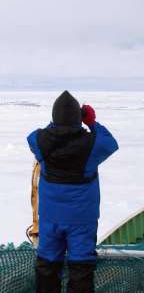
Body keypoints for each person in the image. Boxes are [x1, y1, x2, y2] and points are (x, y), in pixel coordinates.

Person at [27, 91, 118, 293]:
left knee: (47, 266)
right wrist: (91, 122)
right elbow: (110, 143)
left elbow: (34, 136)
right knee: (81, 267)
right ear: (78, 119)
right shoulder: (92, 145)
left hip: (50, 218)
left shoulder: (40, 141)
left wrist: (58, 123)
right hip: (82, 220)